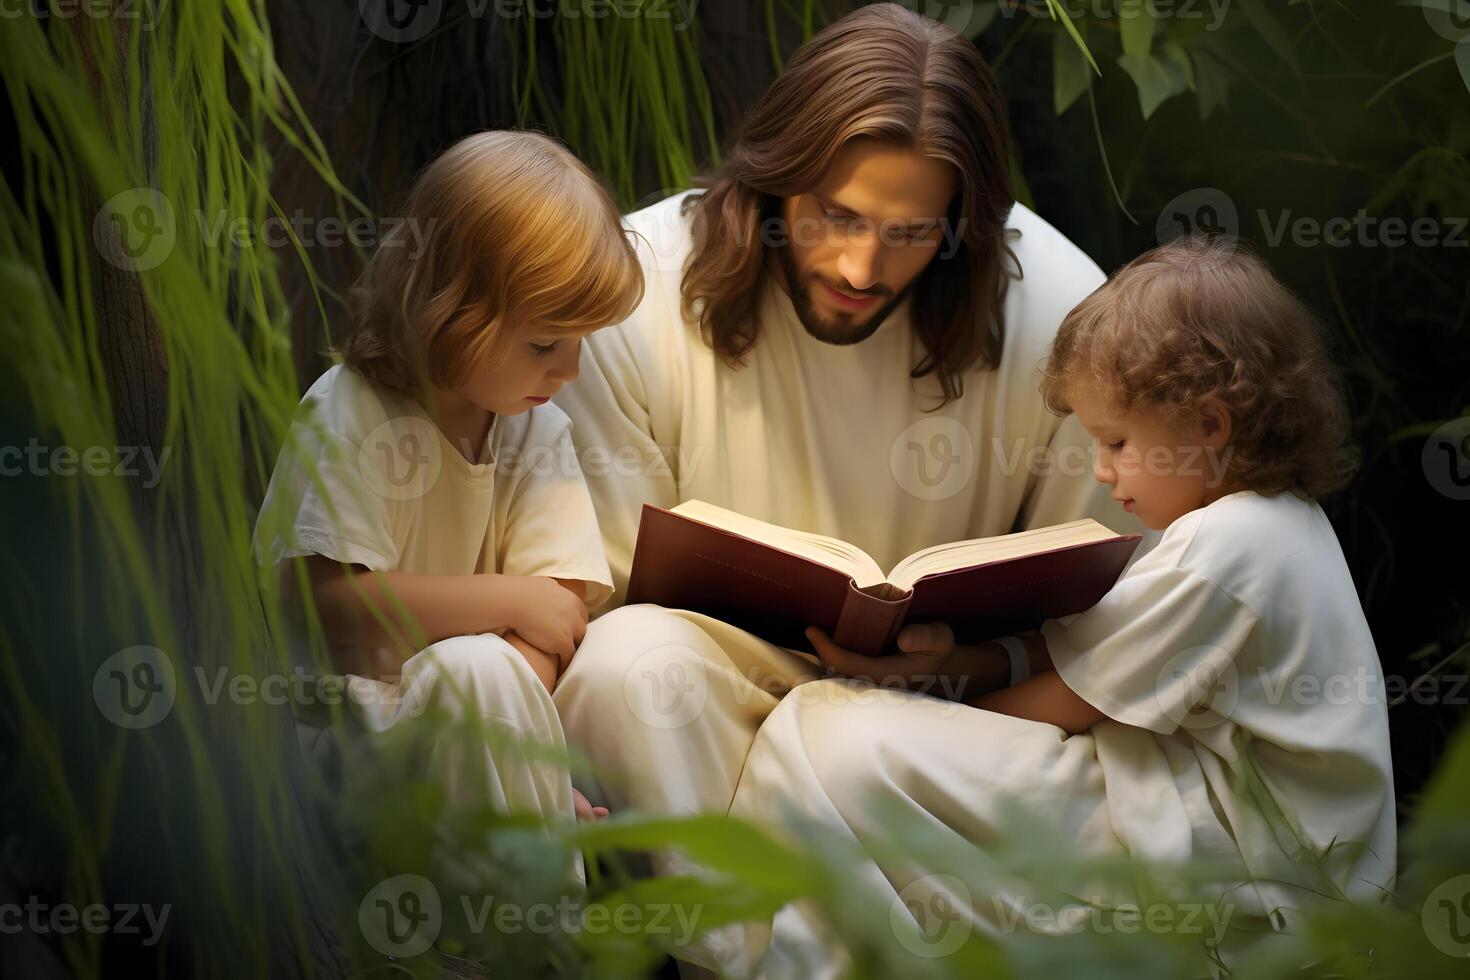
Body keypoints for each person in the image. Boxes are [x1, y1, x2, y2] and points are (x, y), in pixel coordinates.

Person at [548, 4, 1144, 969]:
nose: (864, 268)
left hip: (942, 721)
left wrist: (961, 667)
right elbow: (588, 589)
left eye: (912, 232)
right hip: (712, 705)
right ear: (772, 177)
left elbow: (1117, 610)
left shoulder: (1060, 307)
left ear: (964, 223)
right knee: (625, 666)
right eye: (836, 215)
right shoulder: (634, 286)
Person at [754, 235, 1396, 974]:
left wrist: (928, 720)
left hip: (1241, 874)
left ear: (1211, 426)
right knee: (832, 737)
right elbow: (1094, 658)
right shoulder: (1277, 523)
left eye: (1117, 442)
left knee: (827, 732)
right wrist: (960, 663)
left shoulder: (1228, 544)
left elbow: (1070, 697)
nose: (1102, 471)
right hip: (1237, 839)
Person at [252, 131, 643, 840]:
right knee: (477, 670)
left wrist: (514, 775)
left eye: (582, 342)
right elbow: (331, 610)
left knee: (485, 676)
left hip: (468, 745)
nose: (570, 373)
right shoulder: (354, 411)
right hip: (348, 745)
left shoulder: (536, 432)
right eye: (544, 345)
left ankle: (531, 925)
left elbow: (553, 635)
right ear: (450, 308)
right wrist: (511, 601)